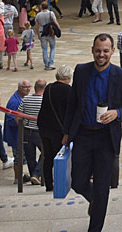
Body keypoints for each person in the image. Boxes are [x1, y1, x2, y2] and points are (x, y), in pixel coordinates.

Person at [62, 34, 122, 232]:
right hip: (83, 135)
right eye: (98, 50)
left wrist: (118, 113)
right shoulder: (81, 70)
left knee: (103, 186)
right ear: (92, 50)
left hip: (107, 137)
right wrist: (66, 132)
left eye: (105, 50)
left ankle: (95, 225)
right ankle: (96, 199)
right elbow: (73, 103)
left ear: (113, 51)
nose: (101, 54)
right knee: (78, 182)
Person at [38, 64, 73, 192]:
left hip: (44, 128)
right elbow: (69, 113)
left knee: (47, 157)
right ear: (68, 76)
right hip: (59, 130)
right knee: (61, 158)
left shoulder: (49, 87)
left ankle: (49, 185)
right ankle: (61, 184)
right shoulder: (68, 90)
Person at [18, 79, 46, 185]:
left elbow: (18, 115)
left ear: (35, 87)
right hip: (39, 131)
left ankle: (35, 175)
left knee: (30, 156)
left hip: (26, 130)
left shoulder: (26, 99)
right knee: (46, 152)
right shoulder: (44, 100)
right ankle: (36, 174)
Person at [3, 79, 32, 184]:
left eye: (29, 87)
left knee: (22, 157)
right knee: (18, 158)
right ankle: (17, 179)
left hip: (20, 135)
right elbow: (12, 120)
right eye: (25, 87)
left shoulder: (22, 98)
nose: (28, 89)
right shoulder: (14, 102)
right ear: (19, 88)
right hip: (16, 136)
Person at [35, 2, 60, 71]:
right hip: (50, 32)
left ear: (41, 7)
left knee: (44, 49)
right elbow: (55, 22)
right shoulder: (51, 13)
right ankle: (51, 63)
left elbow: (36, 26)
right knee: (53, 47)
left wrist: (37, 34)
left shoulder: (38, 15)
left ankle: (46, 64)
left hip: (42, 32)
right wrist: (58, 29)